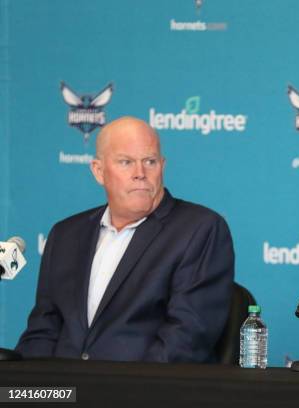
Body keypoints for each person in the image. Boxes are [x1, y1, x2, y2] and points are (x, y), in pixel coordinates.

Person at [16, 117, 234, 362]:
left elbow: (186, 339)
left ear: (162, 166)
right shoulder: (65, 235)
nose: (140, 174)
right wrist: (35, 391)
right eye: (126, 162)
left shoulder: (199, 229)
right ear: (99, 171)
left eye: (150, 162)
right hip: (64, 392)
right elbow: (43, 330)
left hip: (141, 392)